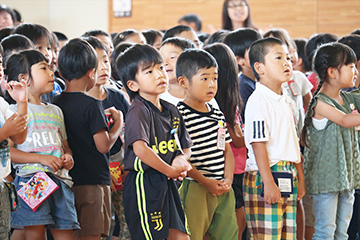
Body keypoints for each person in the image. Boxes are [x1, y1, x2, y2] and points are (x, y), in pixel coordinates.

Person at [116, 44, 192, 240]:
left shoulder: (172, 109)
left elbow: (184, 147)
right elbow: (140, 149)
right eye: (149, 71)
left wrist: (180, 160)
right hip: (144, 183)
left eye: (160, 68)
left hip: (168, 183)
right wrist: (169, 170)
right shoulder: (138, 110)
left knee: (181, 236)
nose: (159, 75)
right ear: (133, 85)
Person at [53, 38, 122, 240]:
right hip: (93, 182)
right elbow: (103, 146)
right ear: (92, 73)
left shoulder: (56, 102)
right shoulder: (92, 105)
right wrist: (117, 125)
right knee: (92, 234)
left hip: (65, 181)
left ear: (61, 73)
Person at [7, 50, 79, 240]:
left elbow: (64, 145)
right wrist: (42, 159)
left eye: (50, 67)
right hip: (31, 179)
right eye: (43, 68)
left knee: (65, 232)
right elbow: (9, 152)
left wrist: (68, 157)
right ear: (24, 79)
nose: (51, 72)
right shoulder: (13, 111)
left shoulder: (56, 110)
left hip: (60, 180)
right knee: (35, 232)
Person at [243, 37, 305, 239]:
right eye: (278, 58)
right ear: (260, 68)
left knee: (288, 234)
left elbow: (292, 141)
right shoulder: (259, 100)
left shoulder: (285, 99)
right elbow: (258, 143)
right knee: (267, 235)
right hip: (266, 174)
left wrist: (300, 176)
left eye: (287, 57)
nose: (287, 62)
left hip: (288, 172)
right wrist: (268, 182)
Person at [176, 49, 239, 240]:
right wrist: (206, 182)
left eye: (215, 78)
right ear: (183, 82)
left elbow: (226, 150)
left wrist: (228, 179)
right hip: (195, 186)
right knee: (193, 234)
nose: (212, 84)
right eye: (204, 78)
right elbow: (181, 159)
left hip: (222, 186)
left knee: (229, 234)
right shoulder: (179, 115)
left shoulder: (216, 113)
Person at [301, 42, 360, 240]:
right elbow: (344, 120)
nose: (356, 71)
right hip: (326, 180)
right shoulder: (320, 102)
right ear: (332, 72)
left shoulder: (347, 97)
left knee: (341, 232)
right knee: (326, 231)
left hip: (346, 178)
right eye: (351, 66)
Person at [83, 36, 130, 240]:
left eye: (105, 60)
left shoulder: (117, 96)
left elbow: (130, 133)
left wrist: (128, 165)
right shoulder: (81, 101)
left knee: (127, 215)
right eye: (95, 63)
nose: (103, 67)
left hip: (120, 163)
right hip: (93, 170)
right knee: (101, 222)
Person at [204, 43, 246, 239]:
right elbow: (238, 141)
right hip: (229, 169)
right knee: (230, 219)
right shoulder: (220, 102)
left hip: (229, 169)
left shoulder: (226, 100)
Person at [0, 43, 28, 240]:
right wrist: (3, 132)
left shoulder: (1, 103)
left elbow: (19, 137)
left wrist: (22, 103)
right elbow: (7, 133)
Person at [13, 23, 63, 102]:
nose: (47, 53)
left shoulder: (54, 85)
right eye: (39, 47)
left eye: (48, 48)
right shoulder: (17, 87)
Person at [223, 28, 262, 121]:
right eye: (255, 50)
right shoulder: (244, 86)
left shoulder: (253, 81)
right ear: (239, 60)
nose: (262, 53)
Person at [159, 37, 196, 105]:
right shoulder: (158, 98)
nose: (165, 63)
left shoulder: (201, 95)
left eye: (172, 57)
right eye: (161, 59)